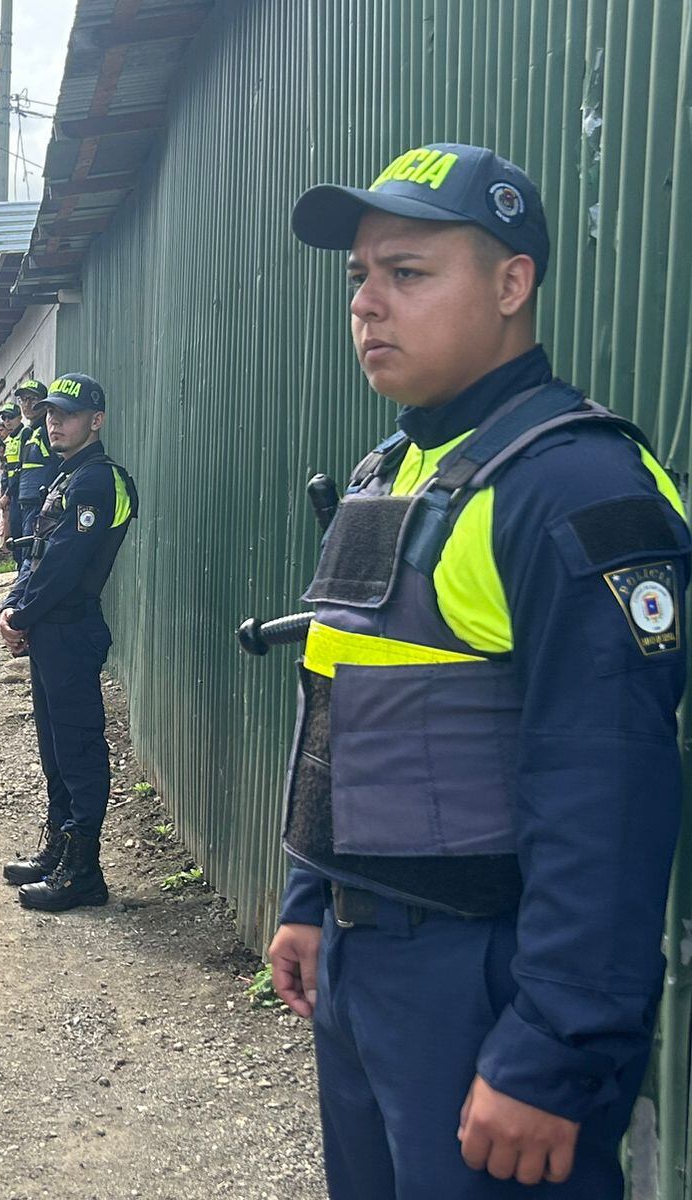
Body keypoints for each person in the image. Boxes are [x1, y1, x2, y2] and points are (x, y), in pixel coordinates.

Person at [267, 143, 689, 1198]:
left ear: (511, 284)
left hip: (489, 982)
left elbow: (609, 795)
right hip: (369, 969)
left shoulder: (577, 490)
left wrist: (552, 1050)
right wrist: (312, 896)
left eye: (406, 272)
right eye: (359, 275)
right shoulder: (392, 469)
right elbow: (344, 698)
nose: (367, 302)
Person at [0, 374, 138, 913]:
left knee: (78, 748)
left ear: (96, 421)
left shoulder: (96, 482)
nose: (55, 421)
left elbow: (64, 564)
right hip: (50, 628)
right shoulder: (67, 475)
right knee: (54, 746)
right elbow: (35, 553)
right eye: (51, 412)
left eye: (69, 414)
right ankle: (59, 849)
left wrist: (23, 613)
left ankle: (84, 871)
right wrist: (14, 606)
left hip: (71, 627)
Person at [14, 380, 62, 552]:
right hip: (25, 500)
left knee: (34, 550)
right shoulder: (29, 432)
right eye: (23, 399)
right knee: (22, 548)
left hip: (40, 502)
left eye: (32, 399)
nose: (27, 404)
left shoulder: (46, 431)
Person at [0, 402, 27, 568]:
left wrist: (7, 494)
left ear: (19, 417)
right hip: (13, 491)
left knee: (22, 532)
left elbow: (19, 470)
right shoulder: (11, 440)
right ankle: (19, 567)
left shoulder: (25, 434)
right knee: (15, 530)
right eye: (4, 418)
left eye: (11, 417)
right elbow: (7, 469)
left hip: (21, 491)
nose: (7, 421)